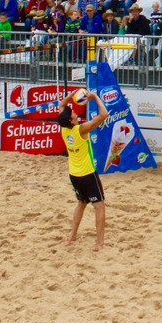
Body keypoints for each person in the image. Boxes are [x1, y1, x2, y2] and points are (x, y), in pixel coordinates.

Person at [57, 89, 109, 250]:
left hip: (74, 174)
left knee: (81, 203)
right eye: (72, 113)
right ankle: (99, 243)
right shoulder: (81, 130)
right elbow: (104, 115)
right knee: (99, 206)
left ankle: (72, 235)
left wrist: (70, 97)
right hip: (87, 174)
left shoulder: (64, 129)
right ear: (72, 120)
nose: (73, 112)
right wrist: (94, 97)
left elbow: (61, 105)